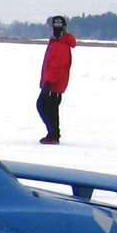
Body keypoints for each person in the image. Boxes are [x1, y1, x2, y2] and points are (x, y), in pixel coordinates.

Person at [37, 15, 77, 144]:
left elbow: (57, 67)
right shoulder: (56, 43)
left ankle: (54, 135)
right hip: (51, 84)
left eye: (50, 27)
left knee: (47, 108)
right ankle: (52, 134)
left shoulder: (60, 45)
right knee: (43, 106)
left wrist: (49, 81)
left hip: (53, 85)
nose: (48, 29)